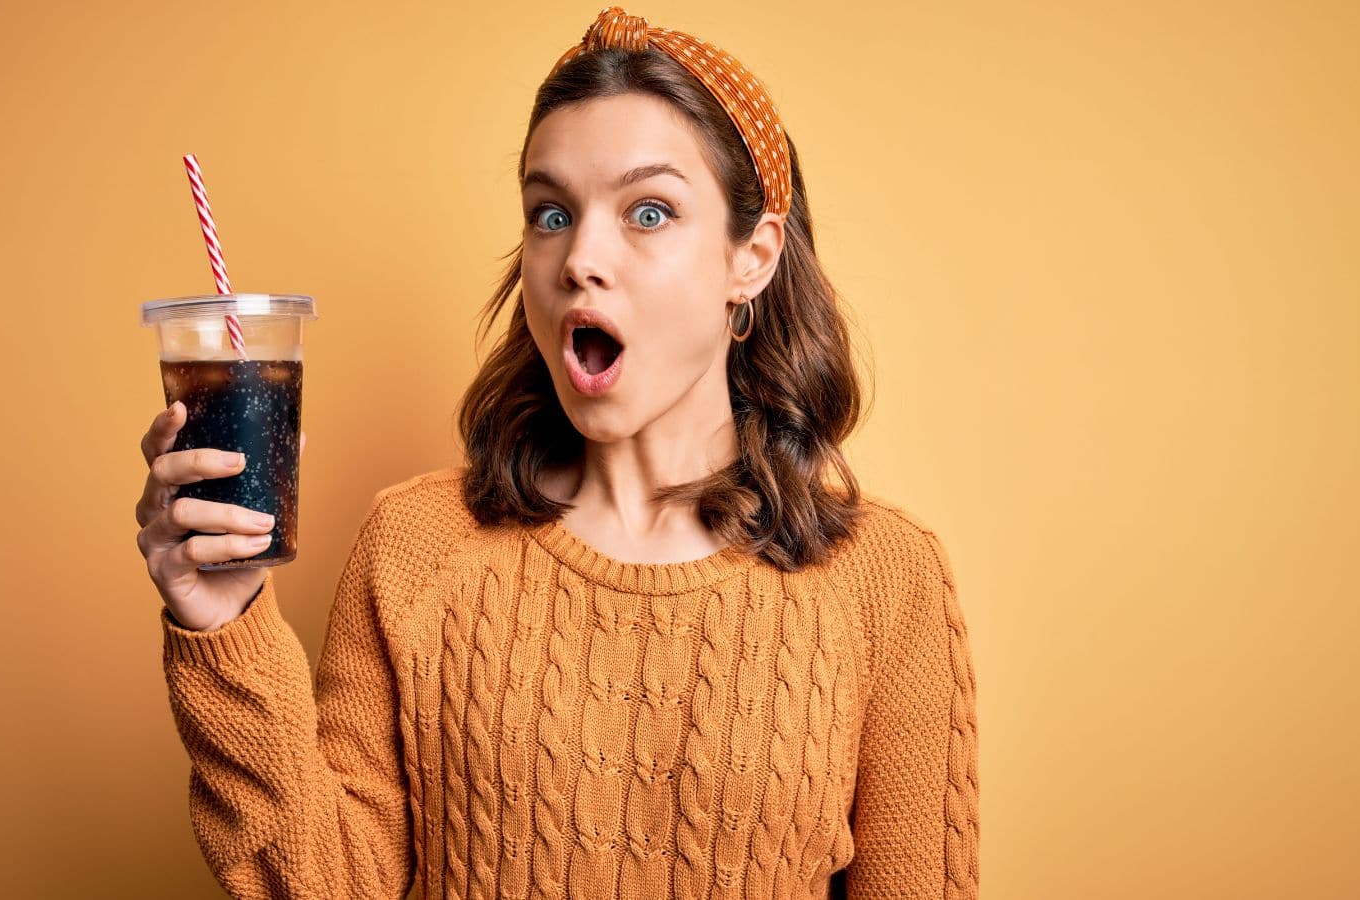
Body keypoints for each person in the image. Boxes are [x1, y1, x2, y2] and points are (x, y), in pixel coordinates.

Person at [134, 7, 979, 899]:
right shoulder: (415, 545)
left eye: (648, 212)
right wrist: (223, 621)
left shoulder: (888, 582)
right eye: (552, 213)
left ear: (752, 258)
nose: (580, 258)